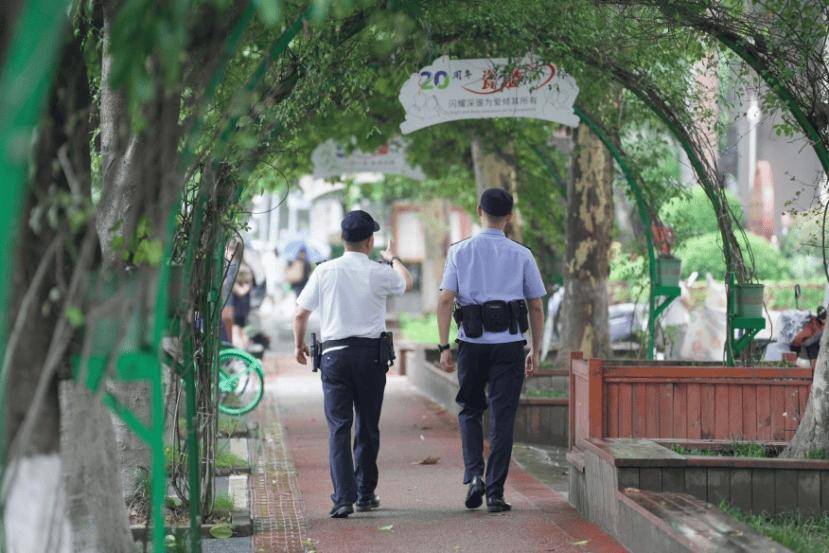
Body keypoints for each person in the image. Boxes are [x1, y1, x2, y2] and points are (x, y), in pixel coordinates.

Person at [292, 210, 413, 518]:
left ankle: (342, 499)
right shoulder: (379, 270)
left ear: (343, 239)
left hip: (334, 356)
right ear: (370, 241)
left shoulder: (324, 271)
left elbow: (300, 313)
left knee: (339, 428)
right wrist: (393, 258)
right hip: (370, 356)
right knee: (368, 426)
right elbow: (406, 282)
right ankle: (365, 493)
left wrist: (298, 344)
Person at [436, 188, 546, 513]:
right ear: (510, 217)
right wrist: (535, 349)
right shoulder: (522, 254)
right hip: (510, 347)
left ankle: (474, 475)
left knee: (470, 410)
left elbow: (444, 299)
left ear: (478, 210)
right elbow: (536, 306)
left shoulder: (460, 251)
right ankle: (496, 492)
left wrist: (444, 345)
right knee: (503, 418)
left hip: (471, 344)